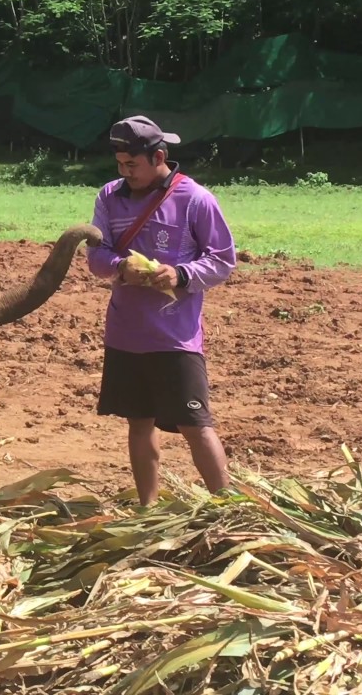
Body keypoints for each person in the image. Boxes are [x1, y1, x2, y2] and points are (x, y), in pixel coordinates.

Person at [85, 115, 237, 506]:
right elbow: (97, 255)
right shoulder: (109, 197)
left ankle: (231, 508)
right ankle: (147, 509)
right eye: (120, 164)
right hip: (126, 333)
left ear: (159, 156)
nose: (125, 172)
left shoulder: (196, 200)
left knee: (195, 424)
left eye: (132, 165)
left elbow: (222, 259)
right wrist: (120, 266)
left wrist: (182, 275)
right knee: (138, 422)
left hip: (176, 338)